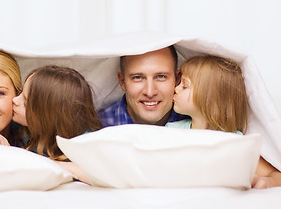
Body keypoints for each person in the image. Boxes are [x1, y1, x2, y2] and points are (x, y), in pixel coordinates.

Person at [166, 55, 281, 189]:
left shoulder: (235, 142)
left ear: (209, 98)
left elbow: (276, 174)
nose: (176, 88)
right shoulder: (171, 131)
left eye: (184, 86)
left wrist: (266, 182)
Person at [12, 65, 102, 160]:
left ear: (48, 117)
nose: (15, 100)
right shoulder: (19, 126)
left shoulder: (85, 146)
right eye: (20, 92)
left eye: (25, 103)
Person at [98, 46, 187, 127]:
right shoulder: (96, 128)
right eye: (137, 77)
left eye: (161, 77)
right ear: (122, 82)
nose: (150, 92)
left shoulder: (196, 124)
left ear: (177, 79)